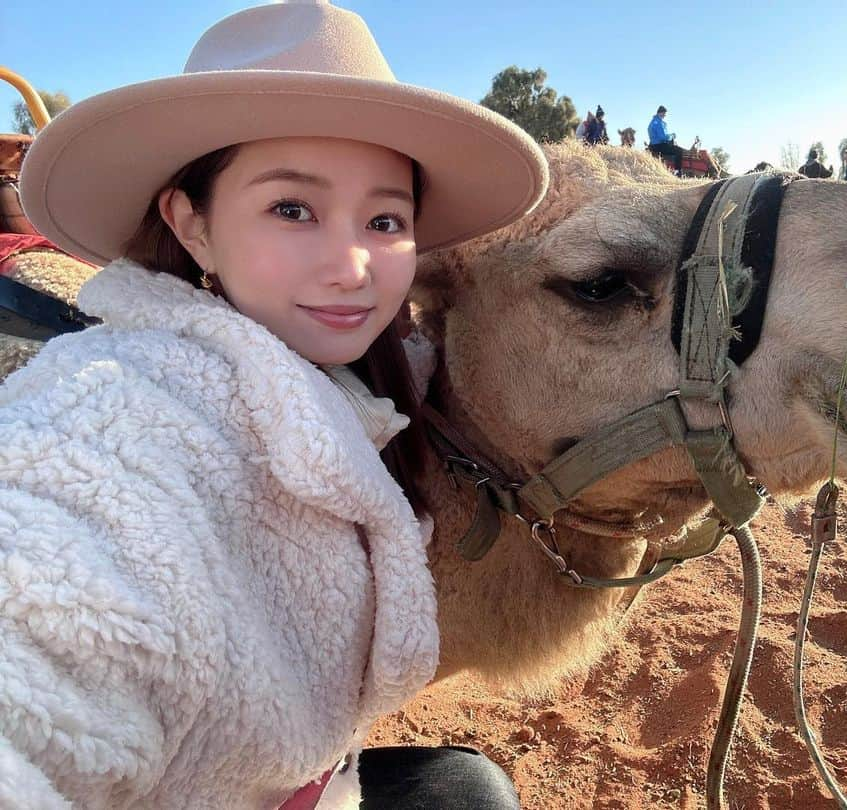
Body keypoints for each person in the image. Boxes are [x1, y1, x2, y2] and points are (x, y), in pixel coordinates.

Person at [3, 2, 547, 808]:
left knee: (469, 788)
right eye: (292, 209)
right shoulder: (114, 417)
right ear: (192, 226)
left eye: (386, 218)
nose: (353, 266)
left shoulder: (343, 374)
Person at [647, 105, 685, 175]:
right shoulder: (658, 123)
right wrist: (672, 135)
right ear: (660, 113)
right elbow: (663, 137)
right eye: (664, 114)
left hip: (652, 145)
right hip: (659, 146)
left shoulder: (652, 122)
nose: (665, 115)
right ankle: (677, 171)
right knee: (679, 151)